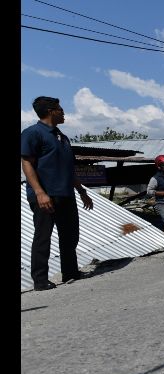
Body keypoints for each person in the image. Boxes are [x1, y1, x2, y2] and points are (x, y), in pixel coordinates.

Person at [21, 96, 94, 291]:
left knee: (70, 235)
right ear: (51, 111)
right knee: (43, 237)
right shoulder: (32, 133)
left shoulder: (62, 137)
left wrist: (81, 191)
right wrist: (39, 192)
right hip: (45, 195)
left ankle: (70, 272)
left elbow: (68, 169)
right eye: (60, 109)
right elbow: (27, 163)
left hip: (66, 194)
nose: (63, 112)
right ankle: (40, 280)